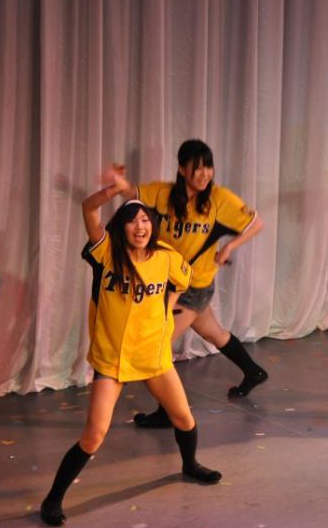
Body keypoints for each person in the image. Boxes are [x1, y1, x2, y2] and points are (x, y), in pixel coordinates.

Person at [40, 182, 221, 526]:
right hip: (113, 360)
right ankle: (52, 500)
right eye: (133, 220)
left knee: (184, 418)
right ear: (121, 226)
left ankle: (190, 464)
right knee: (94, 434)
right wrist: (113, 190)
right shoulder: (107, 251)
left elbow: (183, 281)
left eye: (146, 220)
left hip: (153, 355)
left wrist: (167, 309)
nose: (140, 227)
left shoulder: (165, 256)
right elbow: (88, 208)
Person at [114, 140, 267, 429]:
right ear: (182, 169)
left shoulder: (219, 199)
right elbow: (132, 193)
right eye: (197, 168)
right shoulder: (163, 194)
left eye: (208, 167)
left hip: (193, 287)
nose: (204, 174)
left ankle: (168, 412)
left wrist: (230, 247)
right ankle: (253, 371)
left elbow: (256, 223)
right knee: (214, 333)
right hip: (170, 282)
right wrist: (119, 182)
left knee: (157, 345)